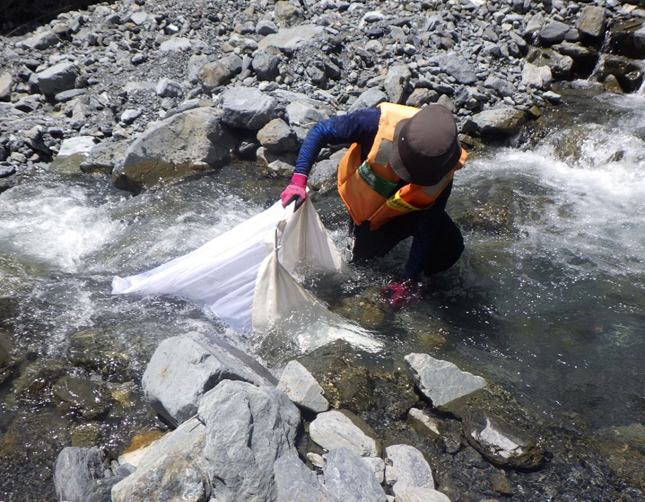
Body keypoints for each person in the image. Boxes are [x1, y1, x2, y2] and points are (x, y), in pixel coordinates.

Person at [280, 102, 468, 310]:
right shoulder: (373, 122)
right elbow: (320, 130)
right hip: (368, 211)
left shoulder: (443, 163)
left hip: (410, 208)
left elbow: (428, 225)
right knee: (361, 269)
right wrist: (298, 181)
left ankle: (420, 282)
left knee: (450, 246)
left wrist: (409, 280)